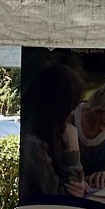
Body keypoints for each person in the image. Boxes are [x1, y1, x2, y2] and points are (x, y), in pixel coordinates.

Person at [18, 64, 87, 199]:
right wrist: (73, 149)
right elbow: (61, 198)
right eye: (71, 106)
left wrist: (80, 182)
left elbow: (72, 184)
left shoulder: (51, 132)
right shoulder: (31, 144)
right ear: (57, 106)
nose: (72, 113)